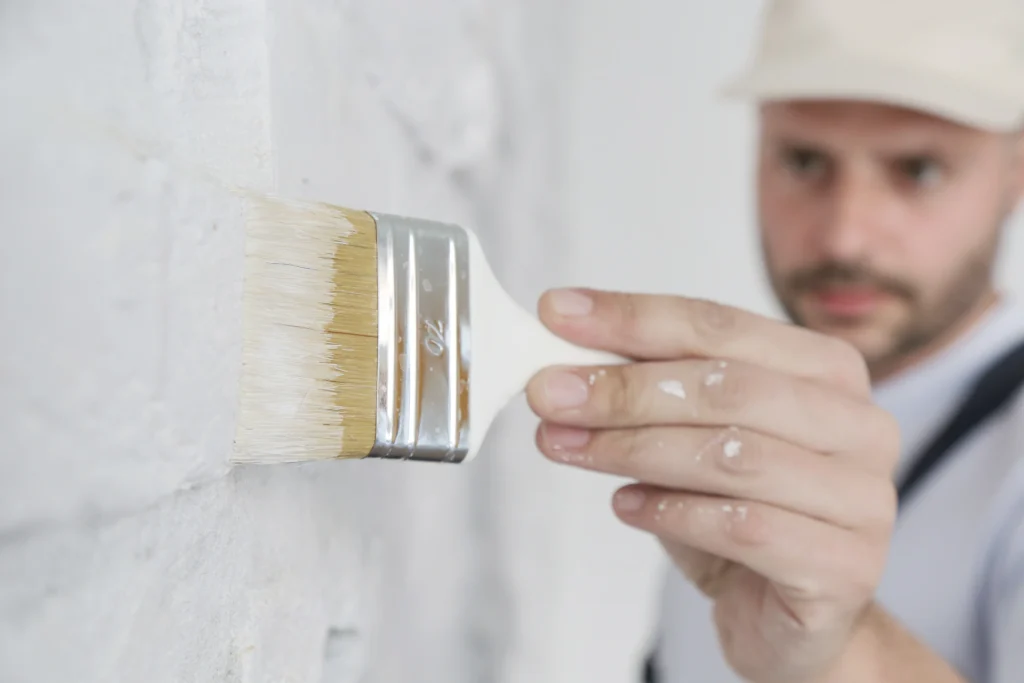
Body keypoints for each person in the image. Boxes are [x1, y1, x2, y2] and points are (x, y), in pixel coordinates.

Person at [523, 0, 1024, 681]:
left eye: (919, 171)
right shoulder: (728, 449)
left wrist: (844, 653)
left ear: (1015, 171)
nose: (846, 234)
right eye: (805, 160)